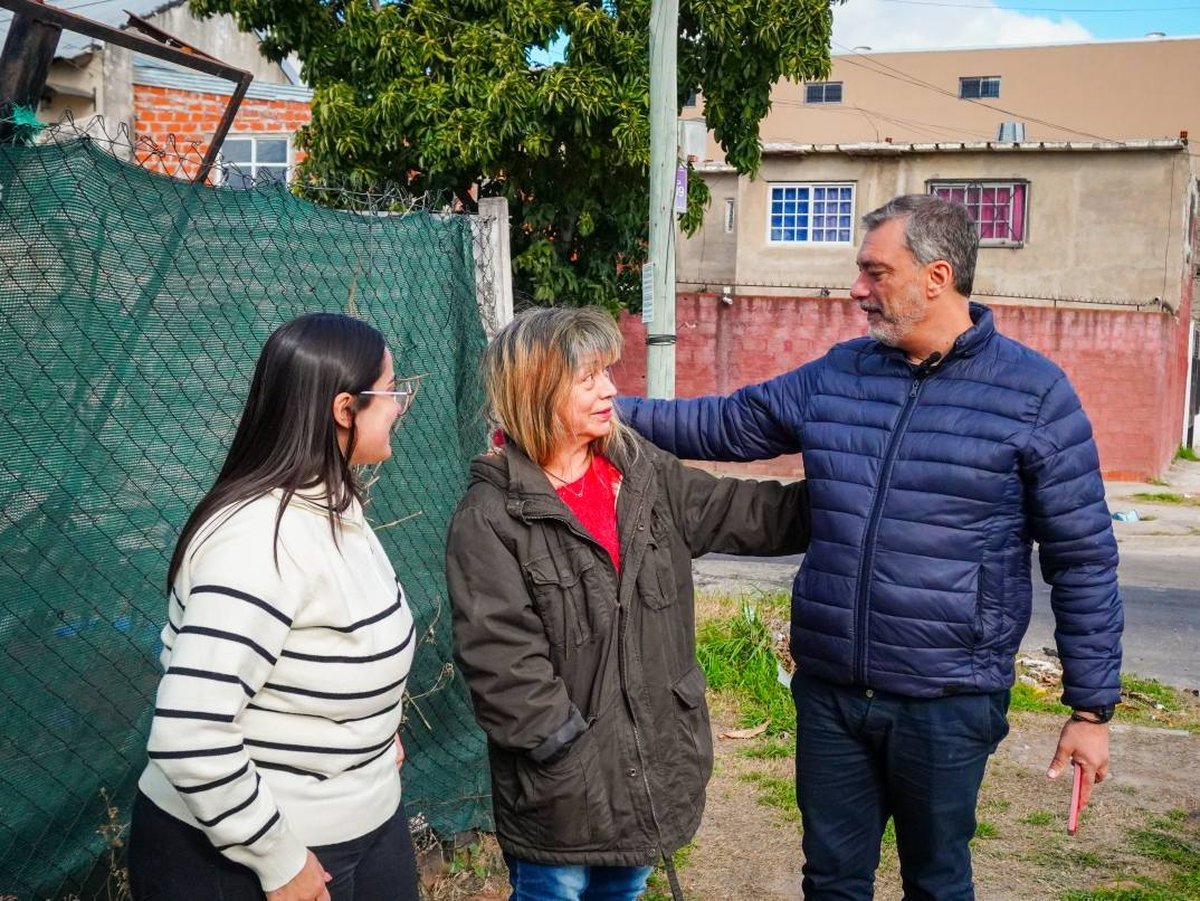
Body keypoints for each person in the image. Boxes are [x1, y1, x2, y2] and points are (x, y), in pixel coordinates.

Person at [619, 194, 1124, 900]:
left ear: (937, 277)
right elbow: (726, 424)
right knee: (830, 879)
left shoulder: (1035, 395)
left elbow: (1084, 558)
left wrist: (1091, 709)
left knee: (937, 879)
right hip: (832, 693)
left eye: (875, 271)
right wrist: (606, 413)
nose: (856, 288)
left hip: (947, 699)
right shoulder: (840, 373)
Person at [444, 306, 811, 901]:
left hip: (652, 769)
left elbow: (746, 514)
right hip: (561, 792)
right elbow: (499, 657)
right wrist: (563, 747)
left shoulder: (642, 474)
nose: (610, 389)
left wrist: (854, 490)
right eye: (588, 377)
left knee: (624, 892)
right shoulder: (491, 516)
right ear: (537, 390)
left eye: (606, 372)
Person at [129, 312, 423, 901]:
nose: (399, 405)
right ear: (345, 409)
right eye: (390, 390)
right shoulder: (257, 540)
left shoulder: (336, 505)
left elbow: (335, 647)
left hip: (366, 828)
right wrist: (279, 860)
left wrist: (370, 730)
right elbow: (190, 733)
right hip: (245, 859)